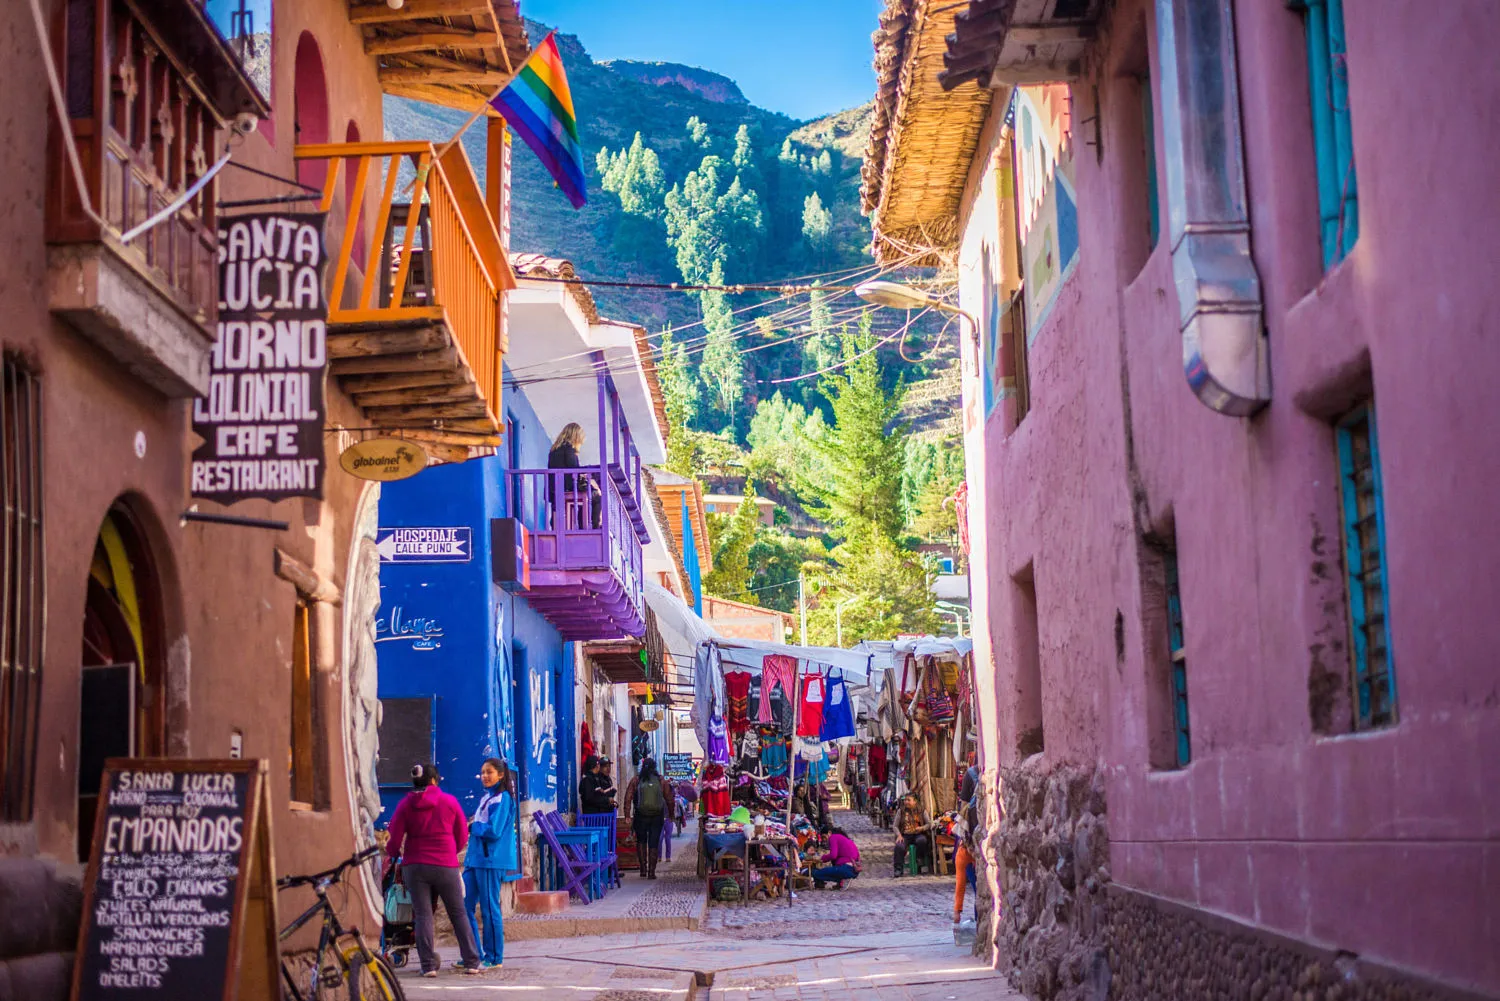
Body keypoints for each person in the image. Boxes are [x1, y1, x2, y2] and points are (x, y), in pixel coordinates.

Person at [384, 763, 481, 977]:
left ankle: (428, 966)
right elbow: (462, 835)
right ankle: (472, 962)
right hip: (445, 864)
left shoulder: (405, 805)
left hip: (415, 866)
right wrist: (450, 852)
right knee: (458, 913)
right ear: (435, 780)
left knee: (423, 915)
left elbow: (394, 838)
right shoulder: (449, 802)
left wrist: (393, 854)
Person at [461, 758, 517, 970]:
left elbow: (494, 830)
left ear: (500, 775)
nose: (484, 776)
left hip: (489, 860)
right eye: (483, 772)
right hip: (475, 859)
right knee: (463, 905)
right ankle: (473, 953)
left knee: (489, 908)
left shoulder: (502, 799)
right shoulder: (487, 798)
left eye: (489, 772)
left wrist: (473, 826)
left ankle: (494, 957)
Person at [547, 422, 600, 527]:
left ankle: (555, 526)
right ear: (575, 436)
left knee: (562, 506)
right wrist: (588, 473)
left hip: (554, 488)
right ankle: (589, 527)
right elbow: (574, 468)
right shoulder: (568, 449)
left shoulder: (554, 450)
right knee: (597, 497)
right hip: (567, 486)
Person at [632, 757, 668, 879]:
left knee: (641, 841)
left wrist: (627, 814)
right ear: (655, 767)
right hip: (657, 816)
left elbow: (628, 796)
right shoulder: (660, 780)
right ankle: (651, 872)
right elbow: (669, 797)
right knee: (654, 842)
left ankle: (643, 869)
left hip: (640, 815)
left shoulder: (637, 779)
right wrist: (671, 814)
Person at [811, 824, 861, 890]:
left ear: (829, 833)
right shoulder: (843, 839)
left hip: (846, 869)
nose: (824, 840)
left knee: (815, 873)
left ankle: (843, 879)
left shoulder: (833, 837)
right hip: (854, 870)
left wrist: (822, 858)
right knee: (830, 870)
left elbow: (833, 855)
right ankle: (841, 882)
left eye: (824, 837)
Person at [893, 793, 930, 877]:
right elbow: (895, 826)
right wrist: (899, 835)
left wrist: (922, 828)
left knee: (922, 841)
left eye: (908, 800)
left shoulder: (922, 810)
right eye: (905, 800)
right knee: (899, 846)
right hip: (905, 835)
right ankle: (898, 869)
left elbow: (929, 824)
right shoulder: (901, 811)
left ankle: (919, 860)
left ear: (915, 801)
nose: (906, 802)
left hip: (918, 834)